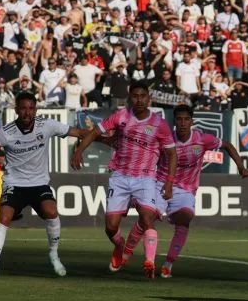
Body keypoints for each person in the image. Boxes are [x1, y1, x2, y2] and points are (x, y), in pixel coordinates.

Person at [0, 92, 91, 280]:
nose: (27, 112)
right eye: (23, 108)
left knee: (51, 211)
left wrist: (95, 140)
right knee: (4, 216)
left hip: (39, 183)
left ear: (36, 109)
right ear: (16, 110)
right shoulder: (5, 133)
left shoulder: (47, 125)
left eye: (31, 108)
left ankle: (54, 254)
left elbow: (80, 132)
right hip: (14, 184)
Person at [71, 81, 177, 279]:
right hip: (120, 177)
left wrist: (169, 182)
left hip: (145, 178)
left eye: (143, 96)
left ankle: (149, 262)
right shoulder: (121, 116)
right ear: (130, 98)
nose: (139, 100)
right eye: (135, 96)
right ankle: (120, 245)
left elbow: (172, 154)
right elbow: (95, 132)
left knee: (147, 218)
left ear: (149, 98)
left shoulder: (159, 124)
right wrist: (79, 151)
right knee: (110, 227)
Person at [152, 105, 248, 277]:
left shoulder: (201, 139)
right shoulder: (165, 139)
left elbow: (227, 145)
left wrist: (241, 166)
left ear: (192, 121)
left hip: (185, 189)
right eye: (179, 119)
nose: (183, 123)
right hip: (161, 184)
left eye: (186, 119)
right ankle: (132, 255)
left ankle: (168, 264)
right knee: (147, 217)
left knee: (185, 219)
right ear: (174, 121)